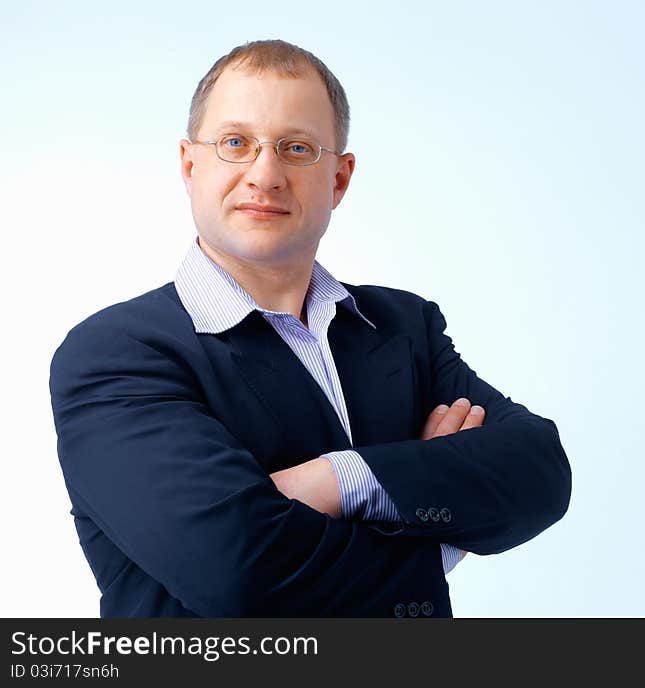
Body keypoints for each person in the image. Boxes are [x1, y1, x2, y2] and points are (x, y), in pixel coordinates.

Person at [49, 39, 572, 618]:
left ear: (340, 180)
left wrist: (335, 480)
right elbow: (241, 569)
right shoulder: (115, 354)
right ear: (189, 165)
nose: (265, 174)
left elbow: (540, 474)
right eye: (235, 143)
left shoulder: (402, 327)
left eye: (297, 148)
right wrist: (424, 496)